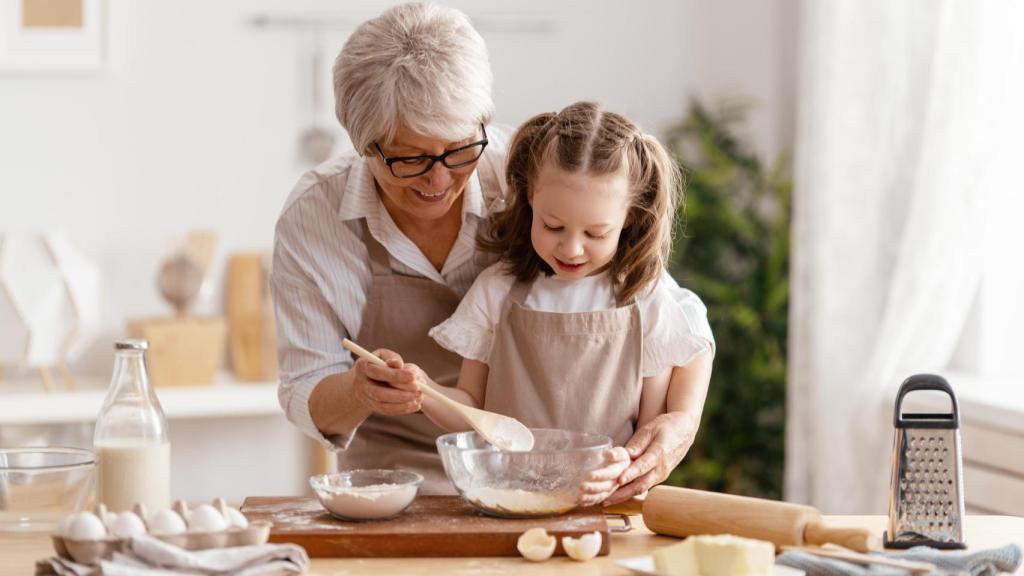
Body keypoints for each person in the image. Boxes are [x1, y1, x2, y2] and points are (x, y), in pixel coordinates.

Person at [272, 2, 712, 502]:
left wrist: (681, 422)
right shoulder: (316, 218)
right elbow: (305, 389)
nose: (439, 180)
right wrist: (360, 390)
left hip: (534, 486)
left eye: (458, 149)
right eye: (410, 159)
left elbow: (675, 320)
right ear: (363, 145)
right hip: (397, 487)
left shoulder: (530, 176)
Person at [417, 102, 715, 504]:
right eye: (553, 226)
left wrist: (625, 466)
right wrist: (423, 390)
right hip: (509, 503)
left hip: (607, 509)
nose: (571, 248)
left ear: (630, 217)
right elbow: (471, 411)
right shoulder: (497, 291)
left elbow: (648, 434)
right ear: (530, 198)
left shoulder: (644, 300)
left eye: (595, 233)